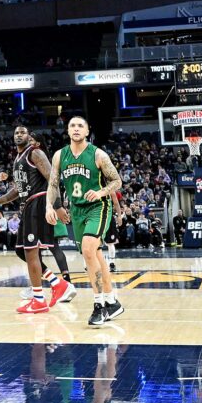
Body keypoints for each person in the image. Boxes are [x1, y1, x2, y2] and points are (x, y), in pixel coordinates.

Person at [0, 125, 76, 313]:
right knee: (22, 251)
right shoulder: (17, 159)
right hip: (28, 206)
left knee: (31, 251)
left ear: (29, 136)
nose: (19, 134)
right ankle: (56, 284)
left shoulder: (35, 153)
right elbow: (17, 190)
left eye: (23, 132)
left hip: (39, 203)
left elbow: (53, 179)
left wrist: (58, 206)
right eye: (16, 132)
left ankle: (39, 299)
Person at [46, 116, 124, 326]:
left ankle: (99, 305)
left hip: (98, 207)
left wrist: (100, 193)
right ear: (68, 130)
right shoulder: (59, 156)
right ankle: (112, 301)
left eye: (80, 126)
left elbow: (117, 181)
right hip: (77, 210)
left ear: (87, 131)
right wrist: (49, 207)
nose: (76, 128)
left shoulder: (98, 154)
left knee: (89, 250)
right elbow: (53, 184)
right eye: (72, 125)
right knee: (95, 254)